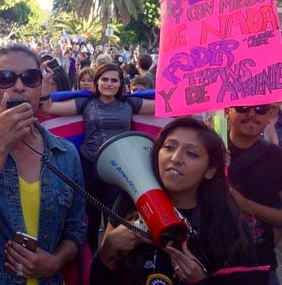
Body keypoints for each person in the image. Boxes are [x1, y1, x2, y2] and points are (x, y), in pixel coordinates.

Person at [0, 43, 86, 284]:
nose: (19, 86)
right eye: (6, 78)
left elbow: (76, 230)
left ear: (40, 85)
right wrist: (0, 143)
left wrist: (55, 262)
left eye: (30, 78)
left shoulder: (65, 153)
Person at [98, 117, 256, 284]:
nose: (175, 158)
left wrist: (201, 282)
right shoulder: (131, 200)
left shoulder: (230, 225)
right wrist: (107, 250)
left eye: (191, 153)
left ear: (210, 170)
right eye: (169, 147)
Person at [40, 61, 154, 251]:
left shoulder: (129, 103)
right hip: (89, 167)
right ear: (97, 82)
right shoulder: (86, 102)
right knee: (90, 221)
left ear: (120, 84)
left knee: (117, 219)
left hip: (119, 170)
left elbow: (166, 105)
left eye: (114, 80)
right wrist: (45, 82)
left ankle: (113, 265)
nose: (109, 84)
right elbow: (47, 107)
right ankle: (89, 267)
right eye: (104, 79)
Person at [226, 104, 282, 284]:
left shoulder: (279, 158)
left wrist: (245, 205)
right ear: (227, 112)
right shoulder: (207, 151)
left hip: (260, 264)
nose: (252, 114)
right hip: (210, 262)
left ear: (268, 116)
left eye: (260, 109)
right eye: (242, 107)